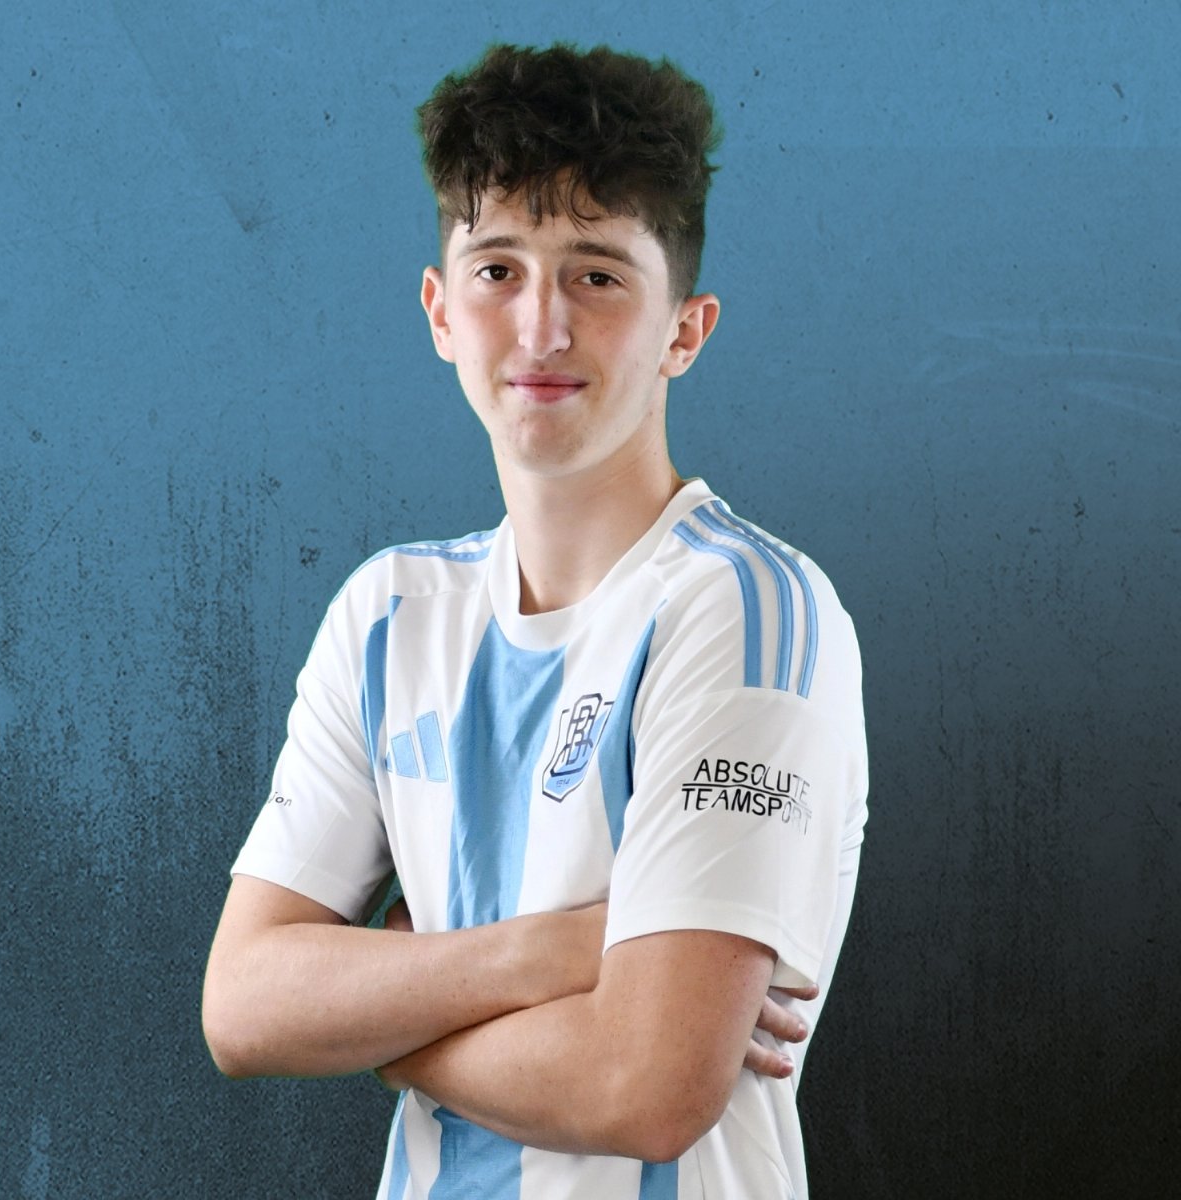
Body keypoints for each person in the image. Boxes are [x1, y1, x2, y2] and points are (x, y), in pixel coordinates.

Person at [202, 42, 868, 1200]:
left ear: (686, 330)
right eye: (499, 270)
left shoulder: (748, 606)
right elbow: (244, 1005)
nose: (543, 328)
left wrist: (386, 1023)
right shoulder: (387, 614)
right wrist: (554, 951)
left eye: (597, 276)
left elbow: (646, 1087)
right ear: (440, 311)